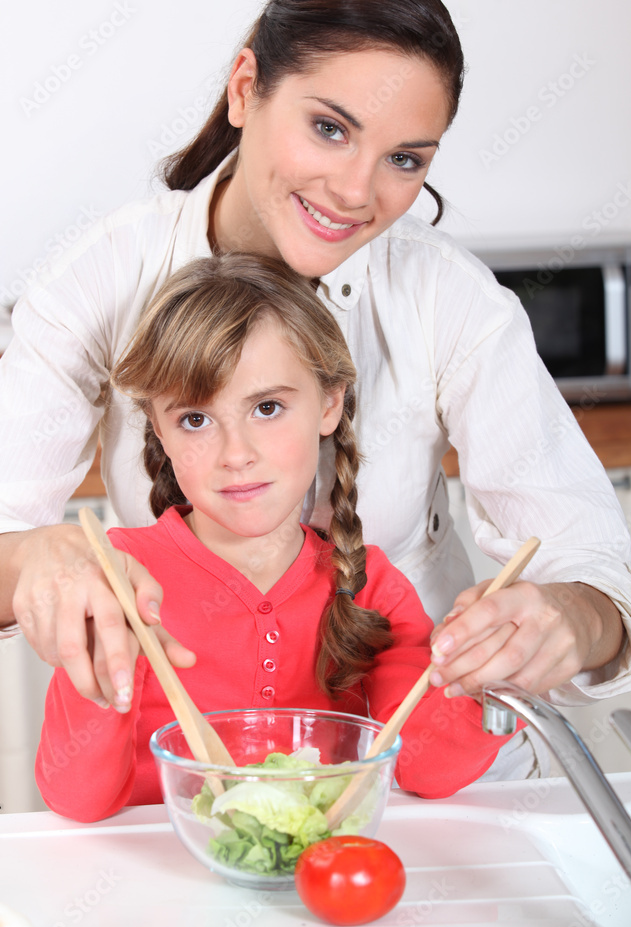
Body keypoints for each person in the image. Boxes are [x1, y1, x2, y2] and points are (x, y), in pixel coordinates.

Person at [0, 0, 631, 781]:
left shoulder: (450, 299)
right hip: (213, 792)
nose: (355, 191)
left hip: (429, 787)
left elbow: (592, 565)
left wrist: (572, 617)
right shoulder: (99, 279)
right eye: (329, 128)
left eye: (404, 159)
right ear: (246, 89)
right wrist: (36, 559)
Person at [35, 254, 516, 822]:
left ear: (329, 404)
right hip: (153, 866)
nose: (236, 454)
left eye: (267, 408)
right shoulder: (120, 579)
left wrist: (488, 685)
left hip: (316, 868)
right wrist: (102, 669)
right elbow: (77, 798)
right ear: (158, 428)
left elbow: (421, 766)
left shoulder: (369, 585)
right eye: (195, 419)